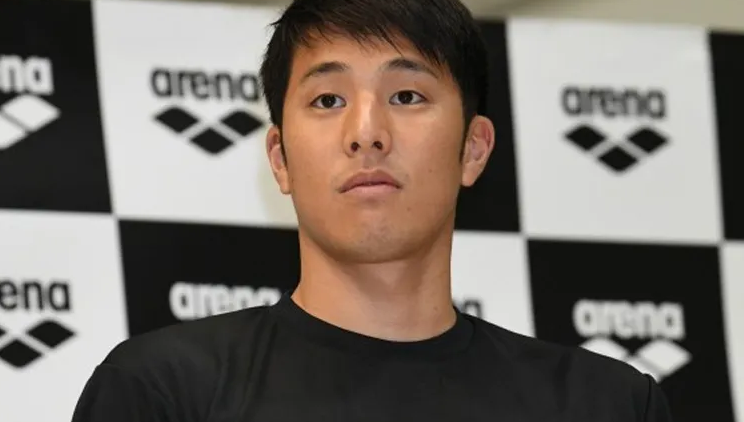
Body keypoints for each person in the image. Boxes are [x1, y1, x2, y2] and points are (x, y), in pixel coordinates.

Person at [71, 0, 675, 420]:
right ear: (280, 158)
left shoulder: (607, 405)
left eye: (406, 95)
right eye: (328, 100)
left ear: (473, 148)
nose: (366, 133)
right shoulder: (164, 392)